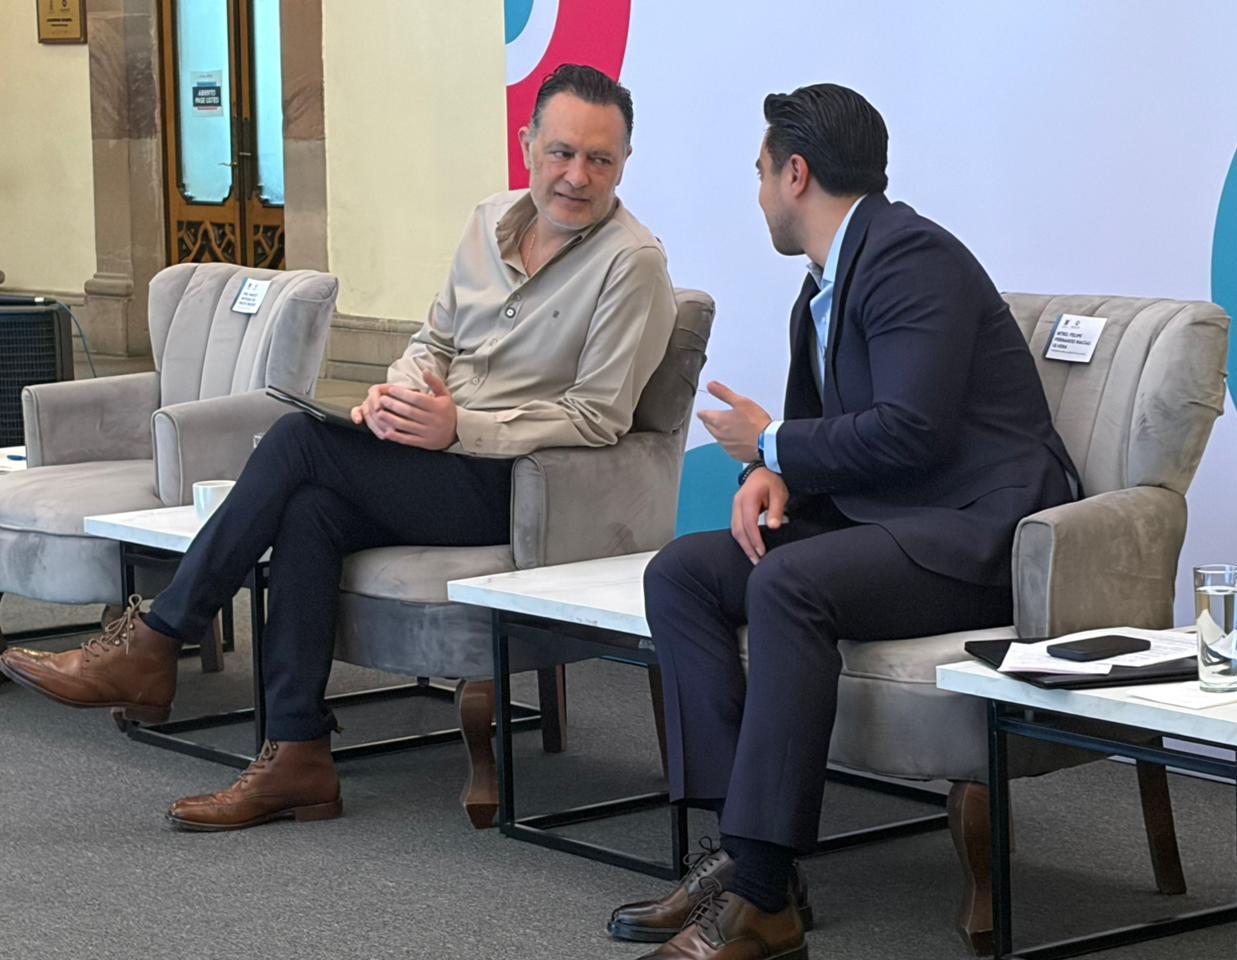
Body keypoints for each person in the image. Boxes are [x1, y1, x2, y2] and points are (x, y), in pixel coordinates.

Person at [0, 64, 677, 833]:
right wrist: (400, 396)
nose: (577, 176)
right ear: (527, 144)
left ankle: (157, 641)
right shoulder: (488, 221)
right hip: (433, 456)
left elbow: (600, 417)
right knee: (311, 511)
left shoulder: (633, 266)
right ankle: (297, 757)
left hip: (519, 487)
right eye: (561, 152)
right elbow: (434, 340)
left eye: (600, 160)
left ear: (625, 163)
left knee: (297, 441)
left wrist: (464, 430)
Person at [609, 84, 1078, 960]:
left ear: (796, 173)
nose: (754, 194)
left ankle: (761, 901)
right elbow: (821, 444)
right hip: (883, 523)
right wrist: (768, 475)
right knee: (681, 572)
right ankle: (751, 867)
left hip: (971, 532)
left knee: (788, 581)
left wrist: (774, 442)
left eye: (758, 173)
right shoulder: (821, 287)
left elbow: (913, 428)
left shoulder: (912, 259)